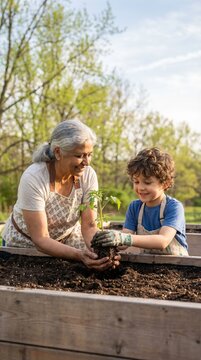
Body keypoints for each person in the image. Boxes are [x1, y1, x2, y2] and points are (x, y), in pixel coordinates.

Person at [2, 119, 120, 270]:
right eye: (79, 155)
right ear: (58, 152)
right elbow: (41, 238)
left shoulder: (87, 175)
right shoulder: (35, 177)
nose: (87, 162)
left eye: (89, 155)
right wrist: (79, 255)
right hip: (26, 244)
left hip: (68, 240)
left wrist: (102, 254)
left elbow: (89, 225)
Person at [92, 147, 189, 256]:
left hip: (178, 266)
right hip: (146, 265)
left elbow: (163, 241)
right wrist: (109, 238)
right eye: (136, 182)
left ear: (165, 184)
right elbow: (123, 243)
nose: (140, 187)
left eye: (147, 183)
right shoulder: (135, 207)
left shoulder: (173, 207)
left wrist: (124, 238)